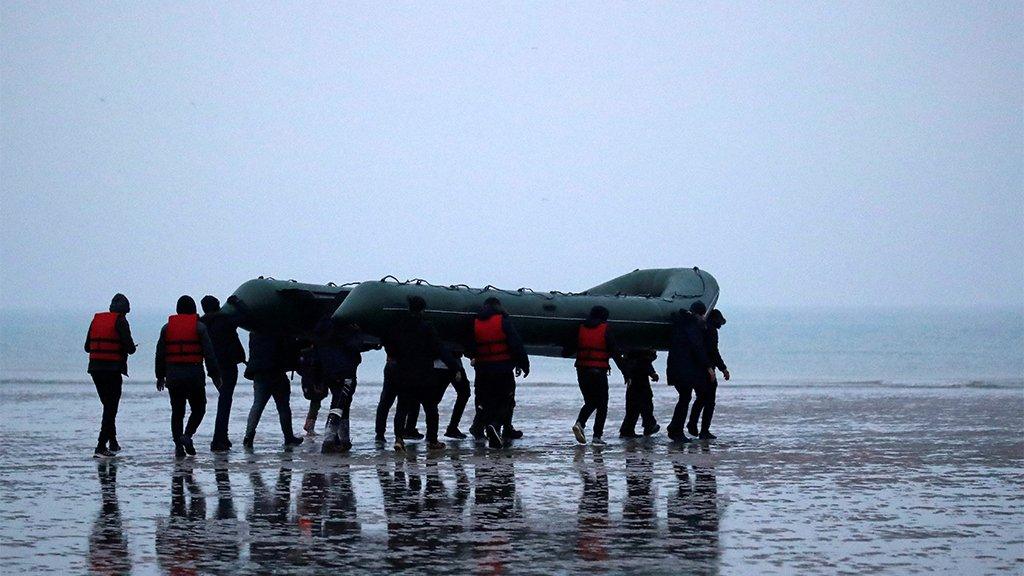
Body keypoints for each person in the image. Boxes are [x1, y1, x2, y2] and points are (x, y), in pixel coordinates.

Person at [381, 296, 459, 452]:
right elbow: (439, 348)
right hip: (424, 374)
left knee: (402, 408)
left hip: (403, 373)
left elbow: (388, 343)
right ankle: (432, 441)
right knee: (431, 409)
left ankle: (398, 439)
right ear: (423, 310)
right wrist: (454, 366)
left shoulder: (398, 327)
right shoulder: (427, 327)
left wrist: (394, 355)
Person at [155, 295, 221, 458]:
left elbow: (160, 354)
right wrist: (215, 375)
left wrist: (160, 376)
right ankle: (187, 435)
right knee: (199, 408)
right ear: (193, 310)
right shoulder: (199, 328)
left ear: (178, 310)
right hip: (194, 376)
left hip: (173, 377)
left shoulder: (166, 328)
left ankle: (179, 446)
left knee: (177, 412)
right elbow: (209, 354)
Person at [465, 297, 529, 449]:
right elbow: (515, 343)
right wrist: (523, 364)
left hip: (482, 369)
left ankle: (479, 427)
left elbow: (468, 344)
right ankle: (495, 426)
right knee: (506, 401)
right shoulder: (503, 321)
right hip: (502, 368)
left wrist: (473, 356)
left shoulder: (475, 322)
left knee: (484, 401)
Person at [311, 317, 376, 453]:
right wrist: (365, 338)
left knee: (340, 403)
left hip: (329, 372)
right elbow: (355, 345)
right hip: (345, 371)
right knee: (340, 405)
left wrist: (317, 379)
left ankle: (343, 440)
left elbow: (316, 356)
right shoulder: (346, 328)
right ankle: (329, 441)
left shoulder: (321, 329)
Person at [84, 293, 137, 458]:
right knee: (110, 408)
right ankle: (100, 446)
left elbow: (87, 347)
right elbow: (130, 348)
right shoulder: (121, 321)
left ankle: (113, 442)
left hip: (95, 369)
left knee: (108, 406)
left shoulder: (96, 320)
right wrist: (131, 347)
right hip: (112, 370)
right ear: (125, 310)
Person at [563, 306, 625, 445]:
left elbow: (566, 352)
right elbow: (615, 352)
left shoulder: (580, 328)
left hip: (582, 371)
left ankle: (580, 423)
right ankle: (597, 437)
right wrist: (625, 372)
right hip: (598, 371)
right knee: (602, 404)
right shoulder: (605, 329)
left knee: (590, 401)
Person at [242, 329, 304, 449]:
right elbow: (289, 348)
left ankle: (248, 436)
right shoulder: (279, 330)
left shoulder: (254, 332)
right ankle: (288, 437)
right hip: (277, 372)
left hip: (260, 373)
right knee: (283, 407)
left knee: (257, 405)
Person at [200, 295, 247, 452]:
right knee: (225, 401)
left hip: (213, 368)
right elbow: (244, 317)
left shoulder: (202, 324)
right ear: (218, 306)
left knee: (224, 400)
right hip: (228, 365)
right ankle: (218, 439)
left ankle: (222, 437)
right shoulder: (225, 320)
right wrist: (237, 303)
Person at [665, 301, 713, 442]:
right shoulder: (692, 326)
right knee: (685, 398)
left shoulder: (679, 323)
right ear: (701, 313)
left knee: (684, 398)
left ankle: (675, 427)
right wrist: (708, 366)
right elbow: (697, 347)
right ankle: (676, 430)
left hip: (675, 366)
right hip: (685, 369)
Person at [688, 309, 729, 439]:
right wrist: (723, 368)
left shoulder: (701, 329)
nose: (720, 326)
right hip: (706, 370)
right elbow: (713, 352)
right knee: (709, 401)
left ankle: (692, 424)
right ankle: (704, 430)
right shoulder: (711, 331)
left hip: (697, 369)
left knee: (700, 399)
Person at [374, 356, 421, 445]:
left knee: (385, 402)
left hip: (391, 364)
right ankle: (399, 436)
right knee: (404, 404)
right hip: (408, 366)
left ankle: (380, 434)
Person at [618, 349, 661, 438]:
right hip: (639, 374)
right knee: (644, 401)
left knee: (634, 404)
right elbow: (643, 360)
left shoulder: (632, 348)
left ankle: (629, 429)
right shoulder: (641, 351)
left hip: (633, 373)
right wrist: (652, 372)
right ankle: (648, 424)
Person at [436, 348, 471, 439]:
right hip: (451, 364)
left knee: (433, 400)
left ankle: (432, 433)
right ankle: (452, 427)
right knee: (464, 393)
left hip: (438, 364)